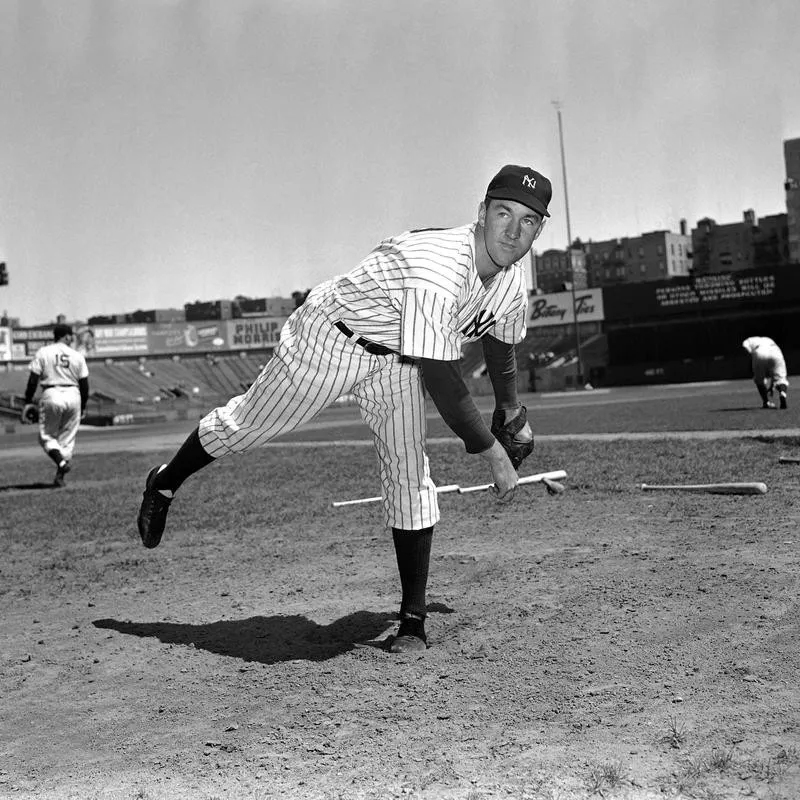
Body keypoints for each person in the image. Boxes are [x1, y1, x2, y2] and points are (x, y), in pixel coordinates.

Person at [136, 164, 552, 653]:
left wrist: (510, 409)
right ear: (481, 212)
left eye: (527, 221)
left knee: (408, 472)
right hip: (332, 338)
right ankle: (164, 482)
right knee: (245, 426)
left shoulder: (511, 276)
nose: (512, 229)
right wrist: (493, 453)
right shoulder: (438, 266)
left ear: (538, 231)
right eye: (503, 212)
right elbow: (443, 380)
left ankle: (412, 621)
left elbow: (502, 338)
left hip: (399, 358)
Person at [22, 324, 90, 486]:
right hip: (74, 395)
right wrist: (84, 406)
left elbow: (33, 380)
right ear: (65, 336)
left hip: (51, 393)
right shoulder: (76, 355)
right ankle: (61, 473)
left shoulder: (44, 352)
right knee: (67, 440)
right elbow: (85, 385)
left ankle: (60, 464)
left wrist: (27, 401)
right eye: (70, 335)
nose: (72, 338)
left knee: (47, 437)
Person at [742, 336, 789, 409]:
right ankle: (782, 393)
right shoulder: (768, 339)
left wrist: (752, 357)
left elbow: (745, 346)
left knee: (759, 380)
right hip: (776, 352)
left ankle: (766, 402)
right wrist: (771, 385)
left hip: (759, 352)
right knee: (781, 379)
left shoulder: (748, 340)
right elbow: (773, 373)